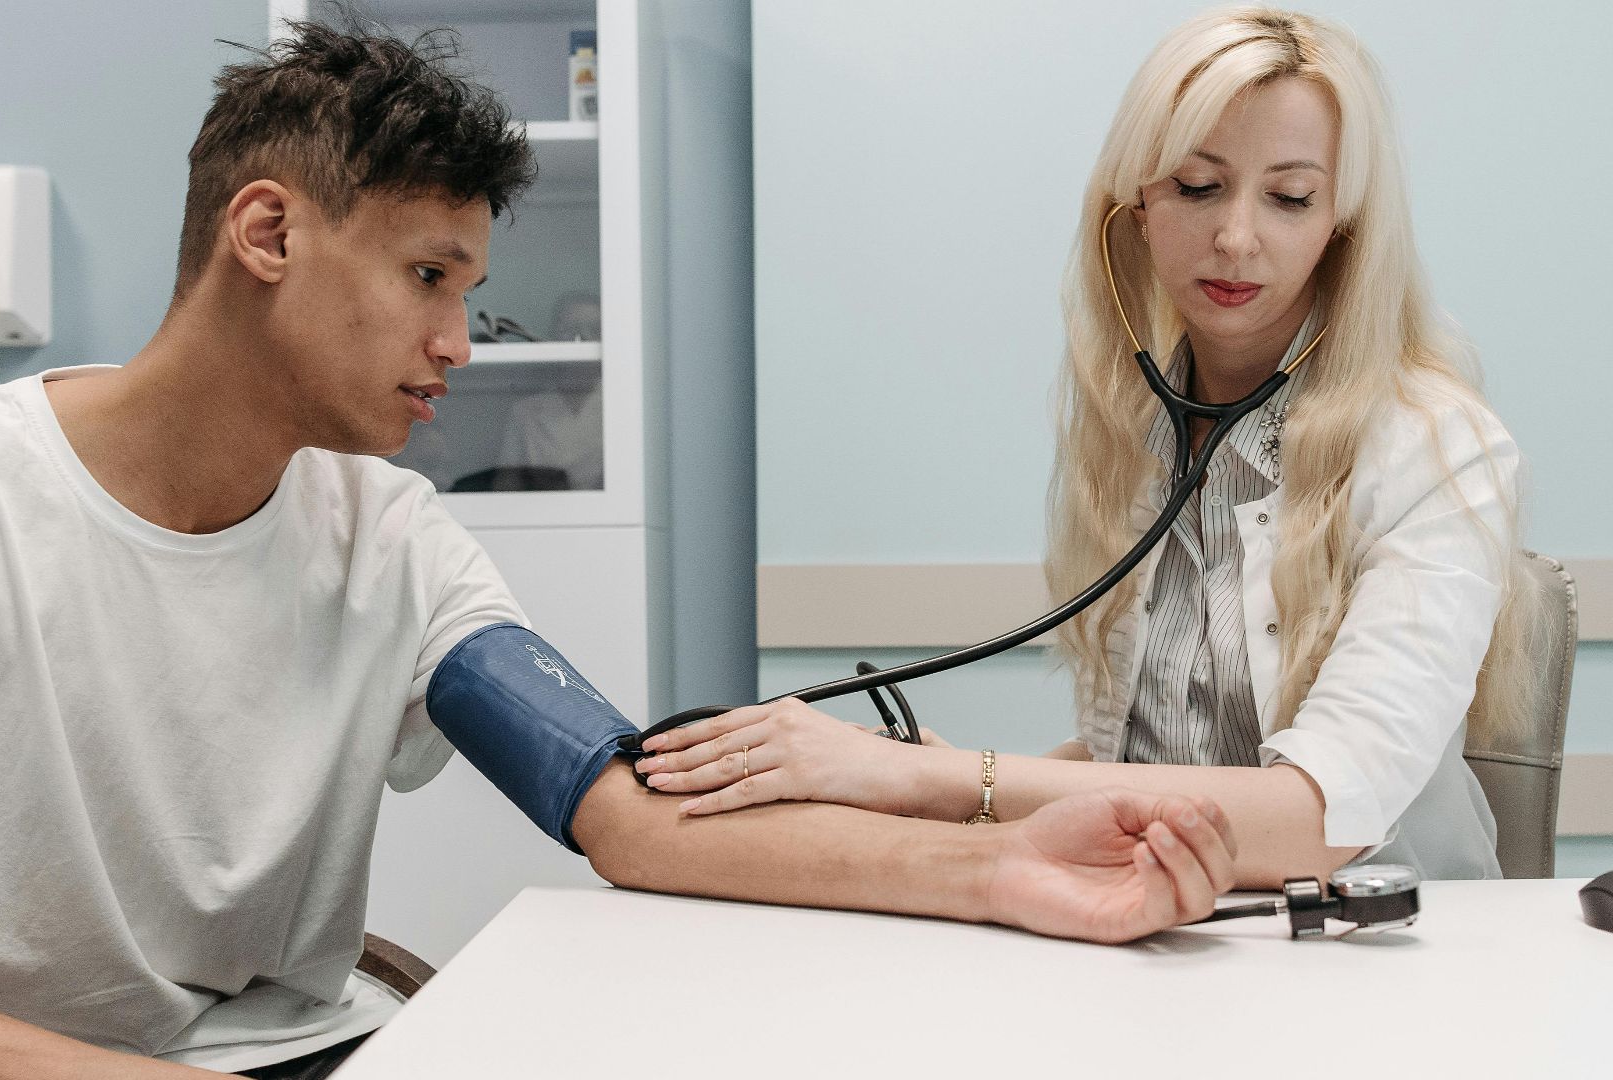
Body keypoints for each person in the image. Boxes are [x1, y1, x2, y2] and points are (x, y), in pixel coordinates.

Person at [0, 16, 1239, 1080]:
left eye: (473, 288)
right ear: (267, 234)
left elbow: (631, 813)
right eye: (428, 274)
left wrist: (1001, 868)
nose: (458, 340)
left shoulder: (389, 538)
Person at [632, 6, 1535, 887]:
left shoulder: (1438, 450)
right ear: (1136, 207)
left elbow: (1316, 816)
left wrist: (934, 780)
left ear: (1341, 225)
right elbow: (1147, 756)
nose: (1235, 236)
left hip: (1391, 954)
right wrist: (953, 790)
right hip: (1172, 928)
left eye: (1290, 197)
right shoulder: (1134, 435)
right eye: (1196, 184)